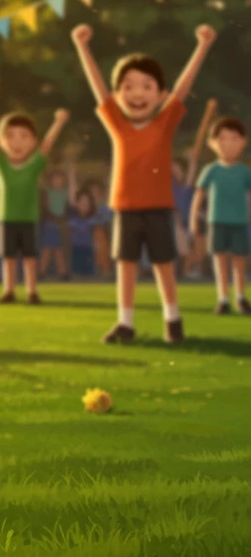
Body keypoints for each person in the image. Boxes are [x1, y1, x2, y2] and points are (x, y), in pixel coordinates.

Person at [71, 23, 217, 343]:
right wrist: (82, 47)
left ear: (160, 95)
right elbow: (97, 86)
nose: (137, 94)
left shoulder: (164, 123)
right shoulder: (116, 123)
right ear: (118, 94)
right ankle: (125, 323)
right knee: (126, 264)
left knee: (164, 264)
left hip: (158, 206)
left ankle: (173, 319)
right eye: (128, 86)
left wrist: (202, 47)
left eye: (146, 86)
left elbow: (183, 86)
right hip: (124, 208)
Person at [0, 108, 70, 303]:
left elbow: (47, 145)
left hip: (29, 218)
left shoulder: (34, 165)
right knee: (8, 257)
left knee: (30, 257)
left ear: (33, 141)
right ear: (1, 140)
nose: (17, 142)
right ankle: (9, 290)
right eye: (10, 136)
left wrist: (58, 123)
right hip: (7, 218)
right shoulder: (1, 165)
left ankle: (31, 291)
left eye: (24, 137)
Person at [190, 116, 251, 315]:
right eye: (223, 138)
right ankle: (223, 298)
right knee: (220, 259)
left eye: (234, 138)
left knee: (240, 260)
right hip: (216, 221)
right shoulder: (211, 170)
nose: (228, 144)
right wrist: (193, 219)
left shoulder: (244, 172)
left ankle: (241, 296)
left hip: (239, 221)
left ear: (243, 142)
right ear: (213, 143)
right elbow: (199, 194)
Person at [65, 154, 96, 278]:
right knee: (76, 271)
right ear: (77, 204)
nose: (84, 205)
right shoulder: (73, 215)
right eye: (81, 202)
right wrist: (72, 174)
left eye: (87, 203)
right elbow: (72, 191)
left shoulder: (93, 217)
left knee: (88, 273)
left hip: (88, 248)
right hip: (75, 248)